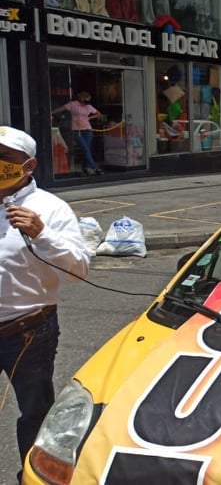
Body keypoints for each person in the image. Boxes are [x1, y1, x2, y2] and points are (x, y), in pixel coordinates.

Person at [0, 126, 90, 481]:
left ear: (29, 165)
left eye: (4, 157)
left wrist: (42, 234)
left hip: (27, 333)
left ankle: (32, 478)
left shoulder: (50, 210)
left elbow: (79, 270)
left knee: (35, 412)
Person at [51, 91, 103, 176]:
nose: (88, 100)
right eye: (86, 98)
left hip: (88, 129)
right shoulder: (73, 104)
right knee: (85, 148)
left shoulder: (88, 106)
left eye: (89, 98)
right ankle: (95, 168)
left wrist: (89, 118)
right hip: (77, 130)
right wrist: (51, 112)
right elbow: (61, 108)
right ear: (81, 98)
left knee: (86, 149)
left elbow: (98, 114)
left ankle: (84, 168)